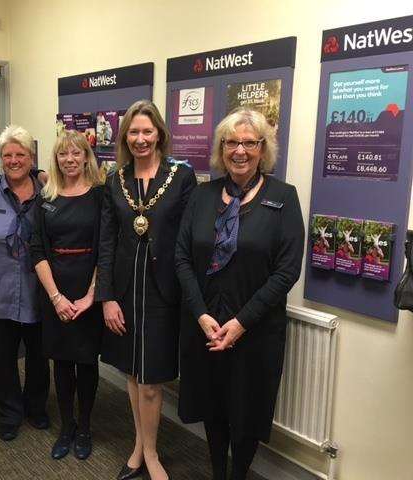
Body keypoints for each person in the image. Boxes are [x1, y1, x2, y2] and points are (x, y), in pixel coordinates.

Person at [175, 108, 305, 480]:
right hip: (205, 327)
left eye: (250, 142)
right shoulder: (202, 196)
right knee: (213, 408)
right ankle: (218, 471)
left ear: (263, 149)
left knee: (246, 413)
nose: (240, 151)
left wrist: (241, 322)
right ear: (221, 148)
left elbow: (287, 270)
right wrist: (201, 314)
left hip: (255, 330)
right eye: (232, 142)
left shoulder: (284, 197)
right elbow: (181, 256)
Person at [96, 100, 196, 480]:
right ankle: (138, 445)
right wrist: (106, 298)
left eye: (147, 132)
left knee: (152, 381)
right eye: (133, 132)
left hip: (162, 293)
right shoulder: (114, 180)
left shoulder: (180, 177)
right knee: (133, 376)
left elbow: (186, 239)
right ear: (125, 137)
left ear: (159, 135)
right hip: (124, 293)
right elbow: (107, 243)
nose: (140, 139)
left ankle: (150, 453)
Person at [0, 125, 50, 443]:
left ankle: (36, 407)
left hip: (38, 289)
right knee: (2, 358)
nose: (14, 160)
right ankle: (8, 413)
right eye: (8, 155)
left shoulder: (47, 191)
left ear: (32, 158)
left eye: (21, 154)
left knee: (38, 354)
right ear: (1, 158)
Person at [30, 130, 104, 461]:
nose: (70, 159)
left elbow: (106, 250)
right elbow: (37, 251)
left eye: (76, 153)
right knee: (61, 363)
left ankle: (86, 427)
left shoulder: (101, 197)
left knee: (86, 363)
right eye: (63, 154)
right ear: (56, 159)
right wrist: (56, 298)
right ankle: (67, 427)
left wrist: (90, 296)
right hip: (55, 291)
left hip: (88, 291)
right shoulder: (46, 198)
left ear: (87, 157)